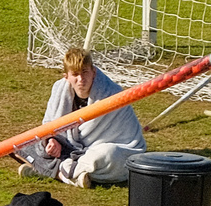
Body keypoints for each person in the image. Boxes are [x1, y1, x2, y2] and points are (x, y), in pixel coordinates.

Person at [14, 47, 145, 186]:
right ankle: (72, 173)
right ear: (66, 77)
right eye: (75, 74)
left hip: (100, 148)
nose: (81, 79)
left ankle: (51, 171)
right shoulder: (59, 89)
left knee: (108, 155)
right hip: (67, 147)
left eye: (85, 72)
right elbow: (48, 125)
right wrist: (51, 140)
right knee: (23, 143)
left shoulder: (112, 94)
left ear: (93, 72)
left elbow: (128, 145)